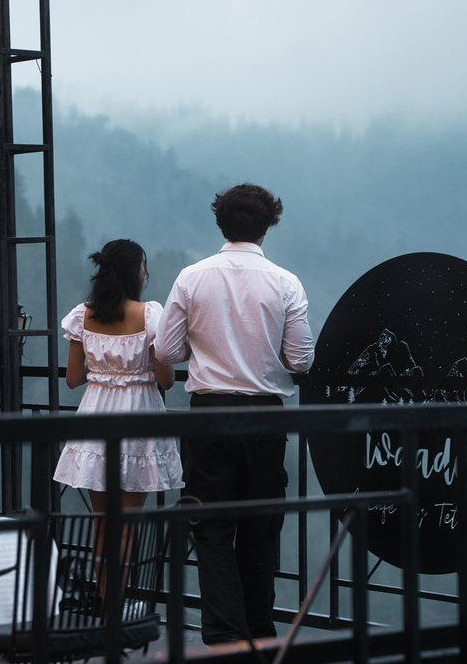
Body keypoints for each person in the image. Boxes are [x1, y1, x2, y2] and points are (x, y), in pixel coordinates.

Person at [154, 183, 315, 645]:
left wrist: (206, 345)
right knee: (260, 529)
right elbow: (301, 360)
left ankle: (225, 638)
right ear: (268, 226)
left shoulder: (192, 277)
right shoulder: (285, 282)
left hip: (208, 416)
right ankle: (259, 636)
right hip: (265, 418)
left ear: (221, 223)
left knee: (212, 528)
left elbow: (166, 350)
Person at [53, 238, 183, 516]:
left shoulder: (84, 315)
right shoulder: (150, 315)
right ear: (137, 271)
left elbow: (73, 378)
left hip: (95, 415)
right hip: (138, 415)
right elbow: (166, 380)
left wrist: (104, 368)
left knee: (101, 522)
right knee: (127, 523)